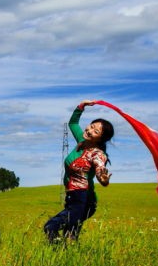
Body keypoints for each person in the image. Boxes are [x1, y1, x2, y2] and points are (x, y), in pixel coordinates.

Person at [43, 101, 114, 243]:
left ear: (100, 139)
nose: (89, 131)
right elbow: (73, 123)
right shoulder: (82, 141)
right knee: (70, 235)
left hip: (84, 199)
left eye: (96, 131)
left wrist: (104, 179)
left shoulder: (97, 154)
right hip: (73, 197)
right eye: (91, 126)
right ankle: (66, 258)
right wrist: (81, 106)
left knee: (50, 227)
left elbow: (101, 172)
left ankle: (58, 251)